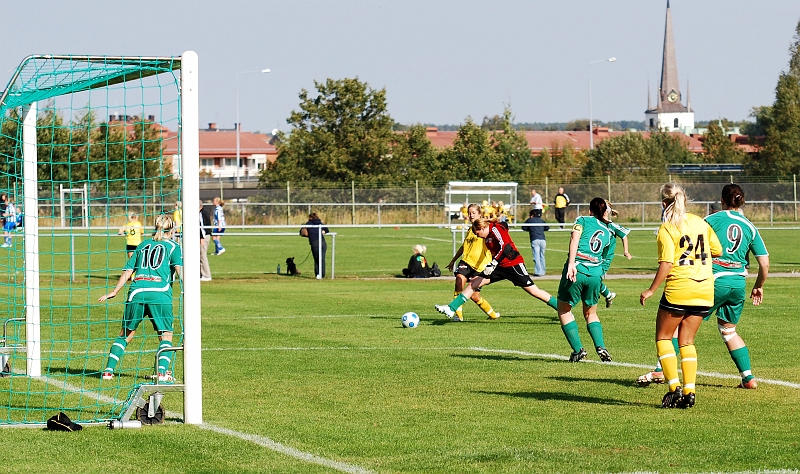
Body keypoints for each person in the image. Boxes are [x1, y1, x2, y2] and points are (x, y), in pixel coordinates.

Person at [640, 183, 722, 409]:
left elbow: (667, 263)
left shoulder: (667, 228)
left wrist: (651, 289)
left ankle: (674, 387)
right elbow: (718, 250)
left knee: (664, 338)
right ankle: (690, 390)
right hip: (704, 289)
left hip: (679, 288)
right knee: (687, 341)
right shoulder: (700, 222)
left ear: (664, 203)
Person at [99, 214, 183, 383]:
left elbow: (129, 270)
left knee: (126, 334)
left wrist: (115, 291)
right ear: (172, 230)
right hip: (160, 292)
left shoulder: (143, 245)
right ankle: (161, 373)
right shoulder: (174, 247)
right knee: (166, 335)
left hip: (136, 292)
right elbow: (180, 271)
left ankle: (108, 371)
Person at [703, 183, 770, 389]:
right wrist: (758, 286)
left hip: (715, 280)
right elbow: (764, 263)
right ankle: (748, 378)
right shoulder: (749, 226)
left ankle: (660, 369)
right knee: (728, 330)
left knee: (682, 324)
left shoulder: (711, 220)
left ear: (722, 200)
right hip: (738, 283)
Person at [435, 217, 558, 319]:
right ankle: (451, 308)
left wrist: (493, 263)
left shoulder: (495, 229)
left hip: (513, 265)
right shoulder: (487, 237)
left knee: (534, 291)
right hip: (499, 266)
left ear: (482, 228)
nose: (479, 236)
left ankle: (561, 307)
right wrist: (494, 263)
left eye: (478, 233)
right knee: (474, 282)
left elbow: (505, 247)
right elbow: (504, 227)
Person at [556, 198, 614, 362]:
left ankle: (578, 350)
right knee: (591, 313)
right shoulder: (609, 232)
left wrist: (571, 264)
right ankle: (601, 346)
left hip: (577, 269)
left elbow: (574, 239)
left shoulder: (581, 220)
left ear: (590, 210)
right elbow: (606, 258)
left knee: (564, 310)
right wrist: (598, 273)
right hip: (595, 274)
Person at [445, 203, 500, 322]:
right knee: (459, 281)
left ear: (479, 214)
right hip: (467, 262)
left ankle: (493, 315)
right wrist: (453, 260)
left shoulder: (485, 228)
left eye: (473, 213)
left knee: (475, 296)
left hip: (480, 266)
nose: (470, 215)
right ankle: (458, 316)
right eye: (469, 213)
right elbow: (464, 246)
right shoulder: (471, 229)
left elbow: (496, 227)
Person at [598, 204, 632, 308]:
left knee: (594, 279)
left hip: (605, 259)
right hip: (595, 257)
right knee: (592, 279)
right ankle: (608, 295)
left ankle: (603, 295)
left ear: (606, 211)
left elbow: (624, 235)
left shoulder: (612, 226)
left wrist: (626, 251)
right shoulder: (596, 223)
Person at [521, 209, 548, 277]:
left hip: (535, 239)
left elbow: (523, 227)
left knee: (536, 256)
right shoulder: (541, 220)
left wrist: (530, 229)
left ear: (532, 215)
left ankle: (538, 272)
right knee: (542, 256)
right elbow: (547, 228)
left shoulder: (530, 220)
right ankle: (543, 271)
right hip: (543, 240)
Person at [303, 212, 329, 279]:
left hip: (315, 243)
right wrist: (323, 231)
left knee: (317, 259)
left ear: (310, 218)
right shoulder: (320, 223)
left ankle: (318, 274)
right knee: (322, 259)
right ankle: (322, 274)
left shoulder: (308, 224)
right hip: (323, 242)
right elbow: (327, 230)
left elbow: (302, 232)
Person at [199, 200, 212, 281]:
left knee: (202, 256)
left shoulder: (202, 214)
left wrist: (201, 238)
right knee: (200, 256)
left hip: (203, 237)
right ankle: (201, 274)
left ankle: (207, 275)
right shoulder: (204, 213)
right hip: (205, 236)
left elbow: (201, 227)